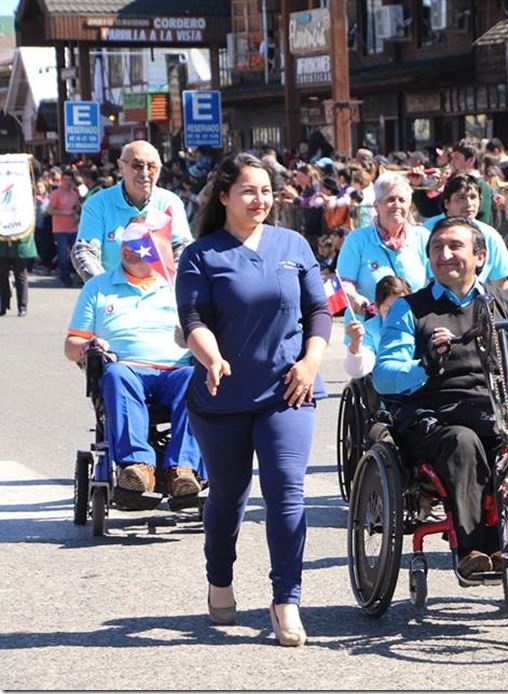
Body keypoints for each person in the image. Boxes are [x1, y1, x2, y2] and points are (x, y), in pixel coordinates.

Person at [176, 153, 331, 646]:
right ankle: (219, 578)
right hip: (222, 396)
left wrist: (310, 363)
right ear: (224, 196)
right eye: (248, 190)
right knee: (229, 495)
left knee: (287, 491)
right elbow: (193, 319)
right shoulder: (201, 254)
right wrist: (212, 358)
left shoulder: (293, 244)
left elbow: (319, 312)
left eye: (266, 191)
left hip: (288, 390)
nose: (260, 199)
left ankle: (287, 599)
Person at [372, 216, 508, 577]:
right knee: (463, 441)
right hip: (437, 414)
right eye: (437, 248)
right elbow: (383, 376)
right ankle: (473, 548)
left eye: (455, 246)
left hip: (497, 407)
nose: (444, 254)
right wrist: (424, 364)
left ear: (480, 256)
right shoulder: (410, 309)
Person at [64, 223, 202, 498]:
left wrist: (193, 336)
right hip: (126, 369)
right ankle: (138, 467)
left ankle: (183, 470)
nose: (130, 250)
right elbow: (71, 345)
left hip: (177, 370)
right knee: (116, 374)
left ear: (159, 249)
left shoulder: (181, 286)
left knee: (197, 380)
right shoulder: (97, 287)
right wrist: (89, 346)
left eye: (141, 244)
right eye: (127, 242)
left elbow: (206, 332)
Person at [73, 140, 193, 282]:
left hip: (159, 295)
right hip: (111, 294)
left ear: (159, 170)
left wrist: (170, 286)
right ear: (121, 167)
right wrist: (102, 286)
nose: (145, 173)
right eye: (137, 166)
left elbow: (183, 247)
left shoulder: (171, 202)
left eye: (152, 167)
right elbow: (84, 251)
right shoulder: (97, 204)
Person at [335, 171, 430, 316]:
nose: (397, 205)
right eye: (390, 199)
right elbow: (343, 285)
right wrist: (355, 298)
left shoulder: (423, 237)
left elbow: (436, 282)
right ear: (376, 205)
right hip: (367, 330)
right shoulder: (357, 240)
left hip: (412, 329)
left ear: (409, 205)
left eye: (402, 200)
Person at [422, 173, 508, 287]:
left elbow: (501, 283)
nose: (469, 204)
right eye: (461, 198)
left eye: (473, 197)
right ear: (446, 203)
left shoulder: (490, 235)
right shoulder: (425, 232)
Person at [343, 275, 411, 380]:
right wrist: (356, 343)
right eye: (388, 310)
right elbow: (359, 370)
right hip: (386, 385)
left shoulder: (419, 323)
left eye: (401, 309)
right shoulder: (369, 329)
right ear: (378, 309)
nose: (395, 316)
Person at [47, 169, 82, 287]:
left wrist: (76, 212)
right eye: (65, 180)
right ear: (61, 180)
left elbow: (77, 207)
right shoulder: (56, 193)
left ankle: (77, 276)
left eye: (69, 180)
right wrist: (65, 213)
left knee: (75, 254)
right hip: (59, 229)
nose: (67, 182)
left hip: (73, 228)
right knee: (62, 255)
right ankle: (65, 278)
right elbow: (50, 210)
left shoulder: (74, 193)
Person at [0, 226, 36, 317]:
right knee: (2, 276)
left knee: (20, 276)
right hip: (2, 244)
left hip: (19, 244)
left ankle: (22, 307)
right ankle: (3, 305)